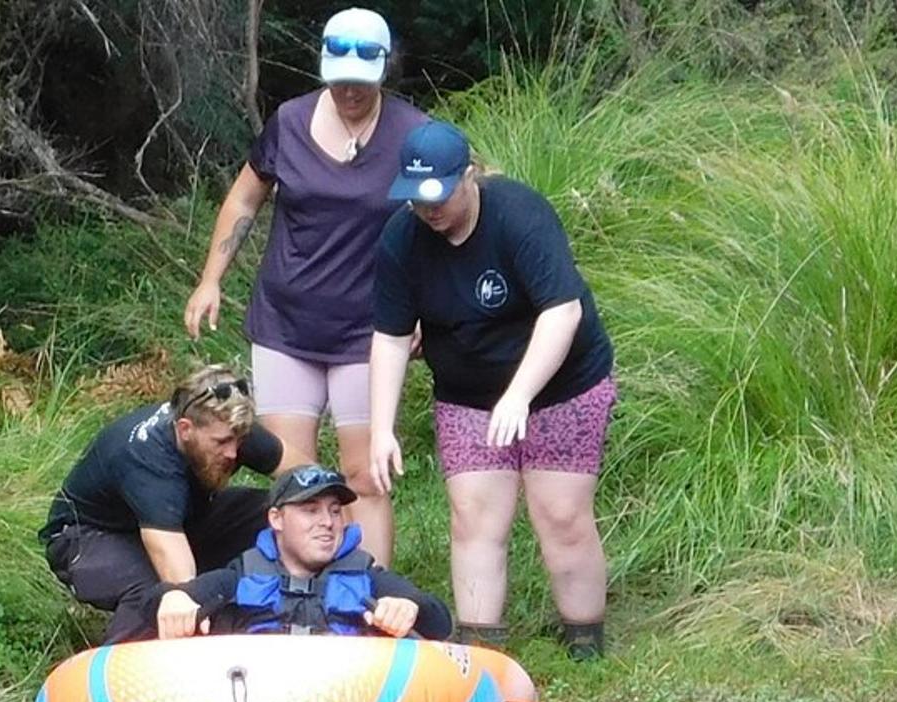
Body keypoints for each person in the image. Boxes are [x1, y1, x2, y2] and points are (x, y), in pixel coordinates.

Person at [183, 8, 428, 567]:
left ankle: (369, 595)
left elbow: (441, 220)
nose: (349, 90)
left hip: (368, 332)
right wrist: (210, 280)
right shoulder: (289, 123)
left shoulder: (413, 134)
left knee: (365, 474)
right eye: (338, 78)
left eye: (361, 81)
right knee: (296, 477)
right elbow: (246, 199)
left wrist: (421, 312)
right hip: (285, 326)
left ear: (385, 71)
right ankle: (300, 600)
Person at [368, 121, 617, 659]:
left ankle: (586, 644)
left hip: (562, 382)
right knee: (474, 518)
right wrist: (382, 429)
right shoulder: (401, 239)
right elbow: (389, 339)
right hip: (467, 391)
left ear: (469, 177)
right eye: (416, 200)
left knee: (562, 516)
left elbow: (562, 311)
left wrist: (520, 394)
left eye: (438, 196)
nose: (428, 211)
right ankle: (479, 652)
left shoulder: (519, 215)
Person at [37, 364, 288, 644]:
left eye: (240, 439)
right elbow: (181, 583)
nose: (233, 452)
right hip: (86, 537)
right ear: (185, 429)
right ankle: (121, 670)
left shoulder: (225, 426)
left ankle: (285, 618)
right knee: (160, 593)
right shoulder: (147, 459)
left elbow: (308, 482)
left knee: (282, 516)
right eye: (223, 442)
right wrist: (188, 600)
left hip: (180, 519)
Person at [147, 463, 452, 640]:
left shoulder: (366, 575)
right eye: (310, 510)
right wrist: (172, 598)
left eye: (334, 511)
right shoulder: (241, 575)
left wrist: (411, 608)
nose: (327, 523)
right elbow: (146, 605)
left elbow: (439, 619)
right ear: (276, 519)